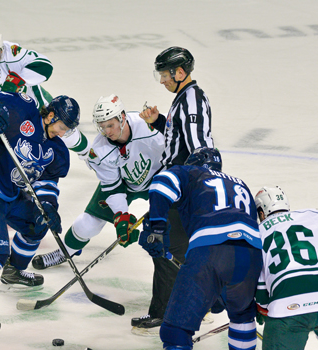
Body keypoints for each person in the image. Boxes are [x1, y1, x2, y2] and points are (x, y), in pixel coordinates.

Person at [0, 82, 80, 338]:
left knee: (37, 224)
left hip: (9, 193)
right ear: (51, 114)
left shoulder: (57, 151)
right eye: (61, 126)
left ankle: (14, 271)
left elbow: (47, 183)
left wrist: (49, 207)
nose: (62, 133)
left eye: (67, 130)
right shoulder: (24, 108)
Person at [137, 147, 262, 350]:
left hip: (211, 251)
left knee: (175, 331)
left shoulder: (191, 173)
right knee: (242, 318)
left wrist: (157, 227)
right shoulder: (241, 184)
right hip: (251, 254)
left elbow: (161, 183)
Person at [30, 94, 165, 275]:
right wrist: (122, 218)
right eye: (102, 127)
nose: (107, 132)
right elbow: (113, 186)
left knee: (175, 220)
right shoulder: (100, 149)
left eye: (110, 125)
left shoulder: (147, 127)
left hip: (160, 179)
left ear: (122, 118)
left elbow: (175, 150)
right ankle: (65, 252)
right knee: (87, 225)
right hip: (124, 183)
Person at [134, 46, 214, 333]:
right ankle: (197, 303)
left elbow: (198, 149)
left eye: (165, 75)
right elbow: (181, 138)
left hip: (182, 188)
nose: (162, 81)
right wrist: (158, 123)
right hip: (180, 186)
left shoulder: (191, 99)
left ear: (180, 73)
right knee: (175, 248)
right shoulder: (184, 98)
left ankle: (169, 310)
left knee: (165, 245)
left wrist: (185, 191)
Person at [0, 27, 90, 158]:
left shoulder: (13, 53)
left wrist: (20, 81)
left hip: (37, 107)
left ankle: (92, 155)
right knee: (21, 148)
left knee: (65, 132)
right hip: (10, 118)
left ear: (0, 48)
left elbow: (45, 65)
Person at [255, 186, 318, 350]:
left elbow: (259, 285)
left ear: (261, 213)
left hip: (288, 308)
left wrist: (261, 308)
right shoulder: (311, 216)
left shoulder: (256, 234)